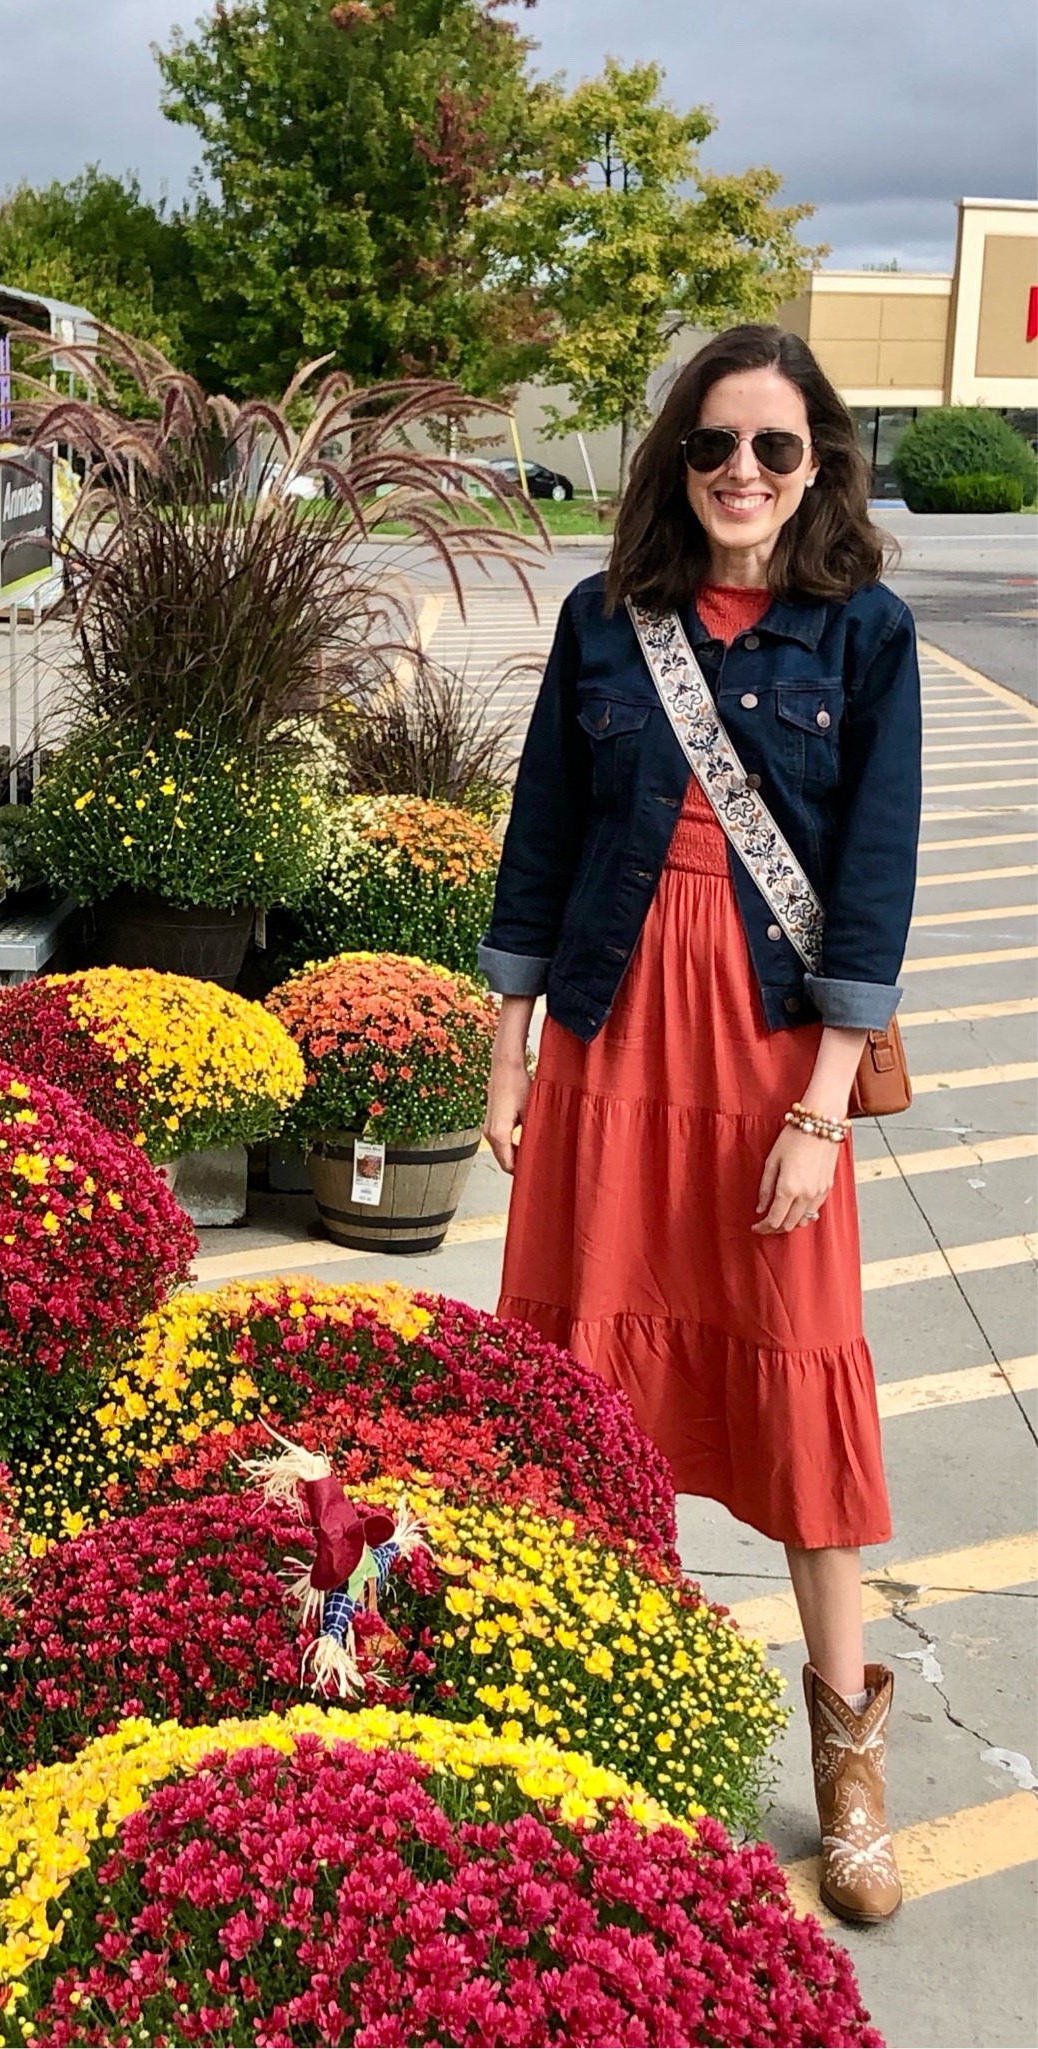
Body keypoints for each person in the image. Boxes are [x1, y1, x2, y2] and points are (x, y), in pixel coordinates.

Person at [479, 323, 920, 1926]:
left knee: (802, 1413)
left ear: (819, 467)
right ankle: (597, 1715)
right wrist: (506, 1047)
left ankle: (849, 1763)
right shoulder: (608, 625)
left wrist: (819, 1113)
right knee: (588, 1383)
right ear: (678, 461)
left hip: (760, 1060)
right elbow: (540, 834)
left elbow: (871, 880)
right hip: (604, 1034)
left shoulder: (863, 636)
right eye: (717, 446)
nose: (744, 474)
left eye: (777, 449)